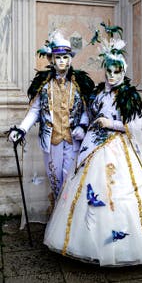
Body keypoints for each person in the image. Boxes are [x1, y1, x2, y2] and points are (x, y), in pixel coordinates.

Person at [43, 24, 142, 269]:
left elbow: (138, 126)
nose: (111, 76)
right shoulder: (99, 94)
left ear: (122, 71)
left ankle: (131, 246)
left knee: (124, 193)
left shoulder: (129, 96)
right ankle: (88, 243)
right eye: (108, 71)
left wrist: (110, 123)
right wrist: (83, 126)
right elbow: (88, 115)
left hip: (120, 149)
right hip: (95, 147)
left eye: (116, 71)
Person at [8, 29, 94, 201]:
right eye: (58, 57)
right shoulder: (44, 85)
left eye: (65, 57)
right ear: (52, 60)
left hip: (72, 139)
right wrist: (22, 129)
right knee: (54, 179)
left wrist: (83, 125)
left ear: (70, 59)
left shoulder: (79, 84)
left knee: (70, 179)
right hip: (51, 138)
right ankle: (57, 217)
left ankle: (67, 220)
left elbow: (86, 109)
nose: (62, 61)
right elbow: (35, 110)